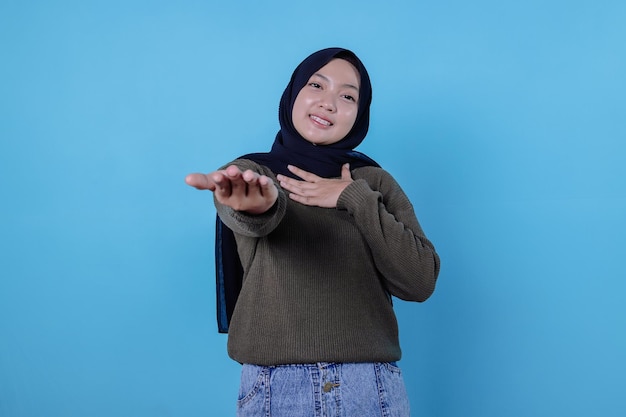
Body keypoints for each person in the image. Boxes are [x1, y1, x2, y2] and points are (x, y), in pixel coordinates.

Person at [185, 47, 440, 417]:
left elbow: (420, 282)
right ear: (293, 93)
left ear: (360, 112)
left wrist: (354, 197)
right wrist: (261, 204)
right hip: (277, 388)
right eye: (316, 85)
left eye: (348, 96)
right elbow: (251, 214)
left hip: (369, 388)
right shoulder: (252, 174)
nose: (329, 103)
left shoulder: (373, 181)